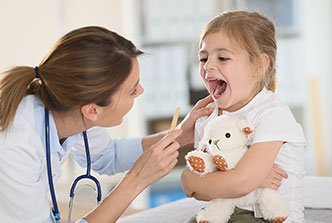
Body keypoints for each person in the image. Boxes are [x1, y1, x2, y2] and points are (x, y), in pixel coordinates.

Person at [0, 26, 215, 223]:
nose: (141, 91)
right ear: (92, 110)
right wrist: (137, 180)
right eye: (132, 90)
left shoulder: (71, 108)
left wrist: (180, 135)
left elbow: (107, 156)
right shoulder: (14, 147)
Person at [181, 11, 305, 223]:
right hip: (224, 214)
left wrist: (192, 179)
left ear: (259, 65)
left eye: (222, 57)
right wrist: (190, 180)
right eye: (203, 58)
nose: (208, 65)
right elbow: (199, 192)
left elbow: (240, 183)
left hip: (270, 218)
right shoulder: (208, 118)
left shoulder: (272, 114)